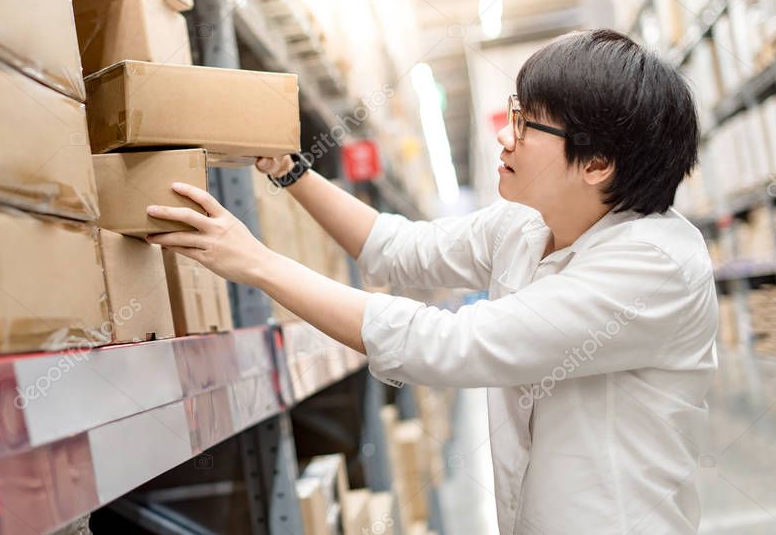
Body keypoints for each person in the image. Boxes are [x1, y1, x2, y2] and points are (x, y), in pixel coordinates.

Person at [144, 29, 718, 534]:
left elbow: (447, 345)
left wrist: (256, 263)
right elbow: (397, 249)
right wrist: (290, 170)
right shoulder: (526, 224)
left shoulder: (654, 266)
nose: (505, 137)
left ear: (597, 163)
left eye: (525, 123)